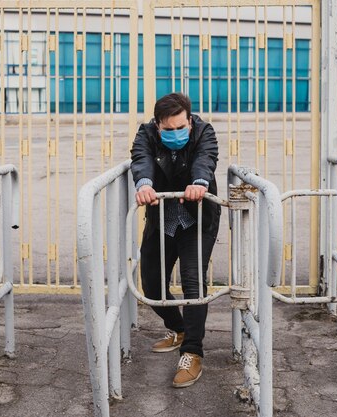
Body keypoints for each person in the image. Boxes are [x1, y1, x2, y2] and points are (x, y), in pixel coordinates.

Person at [131, 92, 220, 388]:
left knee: (193, 282)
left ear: (189, 122)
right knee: (152, 285)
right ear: (158, 125)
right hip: (163, 217)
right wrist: (144, 184)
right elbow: (141, 159)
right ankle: (177, 328)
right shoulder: (145, 133)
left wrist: (199, 183)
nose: (175, 134)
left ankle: (192, 352)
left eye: (181, 128)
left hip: (196, 216)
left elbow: (206, 159)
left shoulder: (204, 131)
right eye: (168, 130)